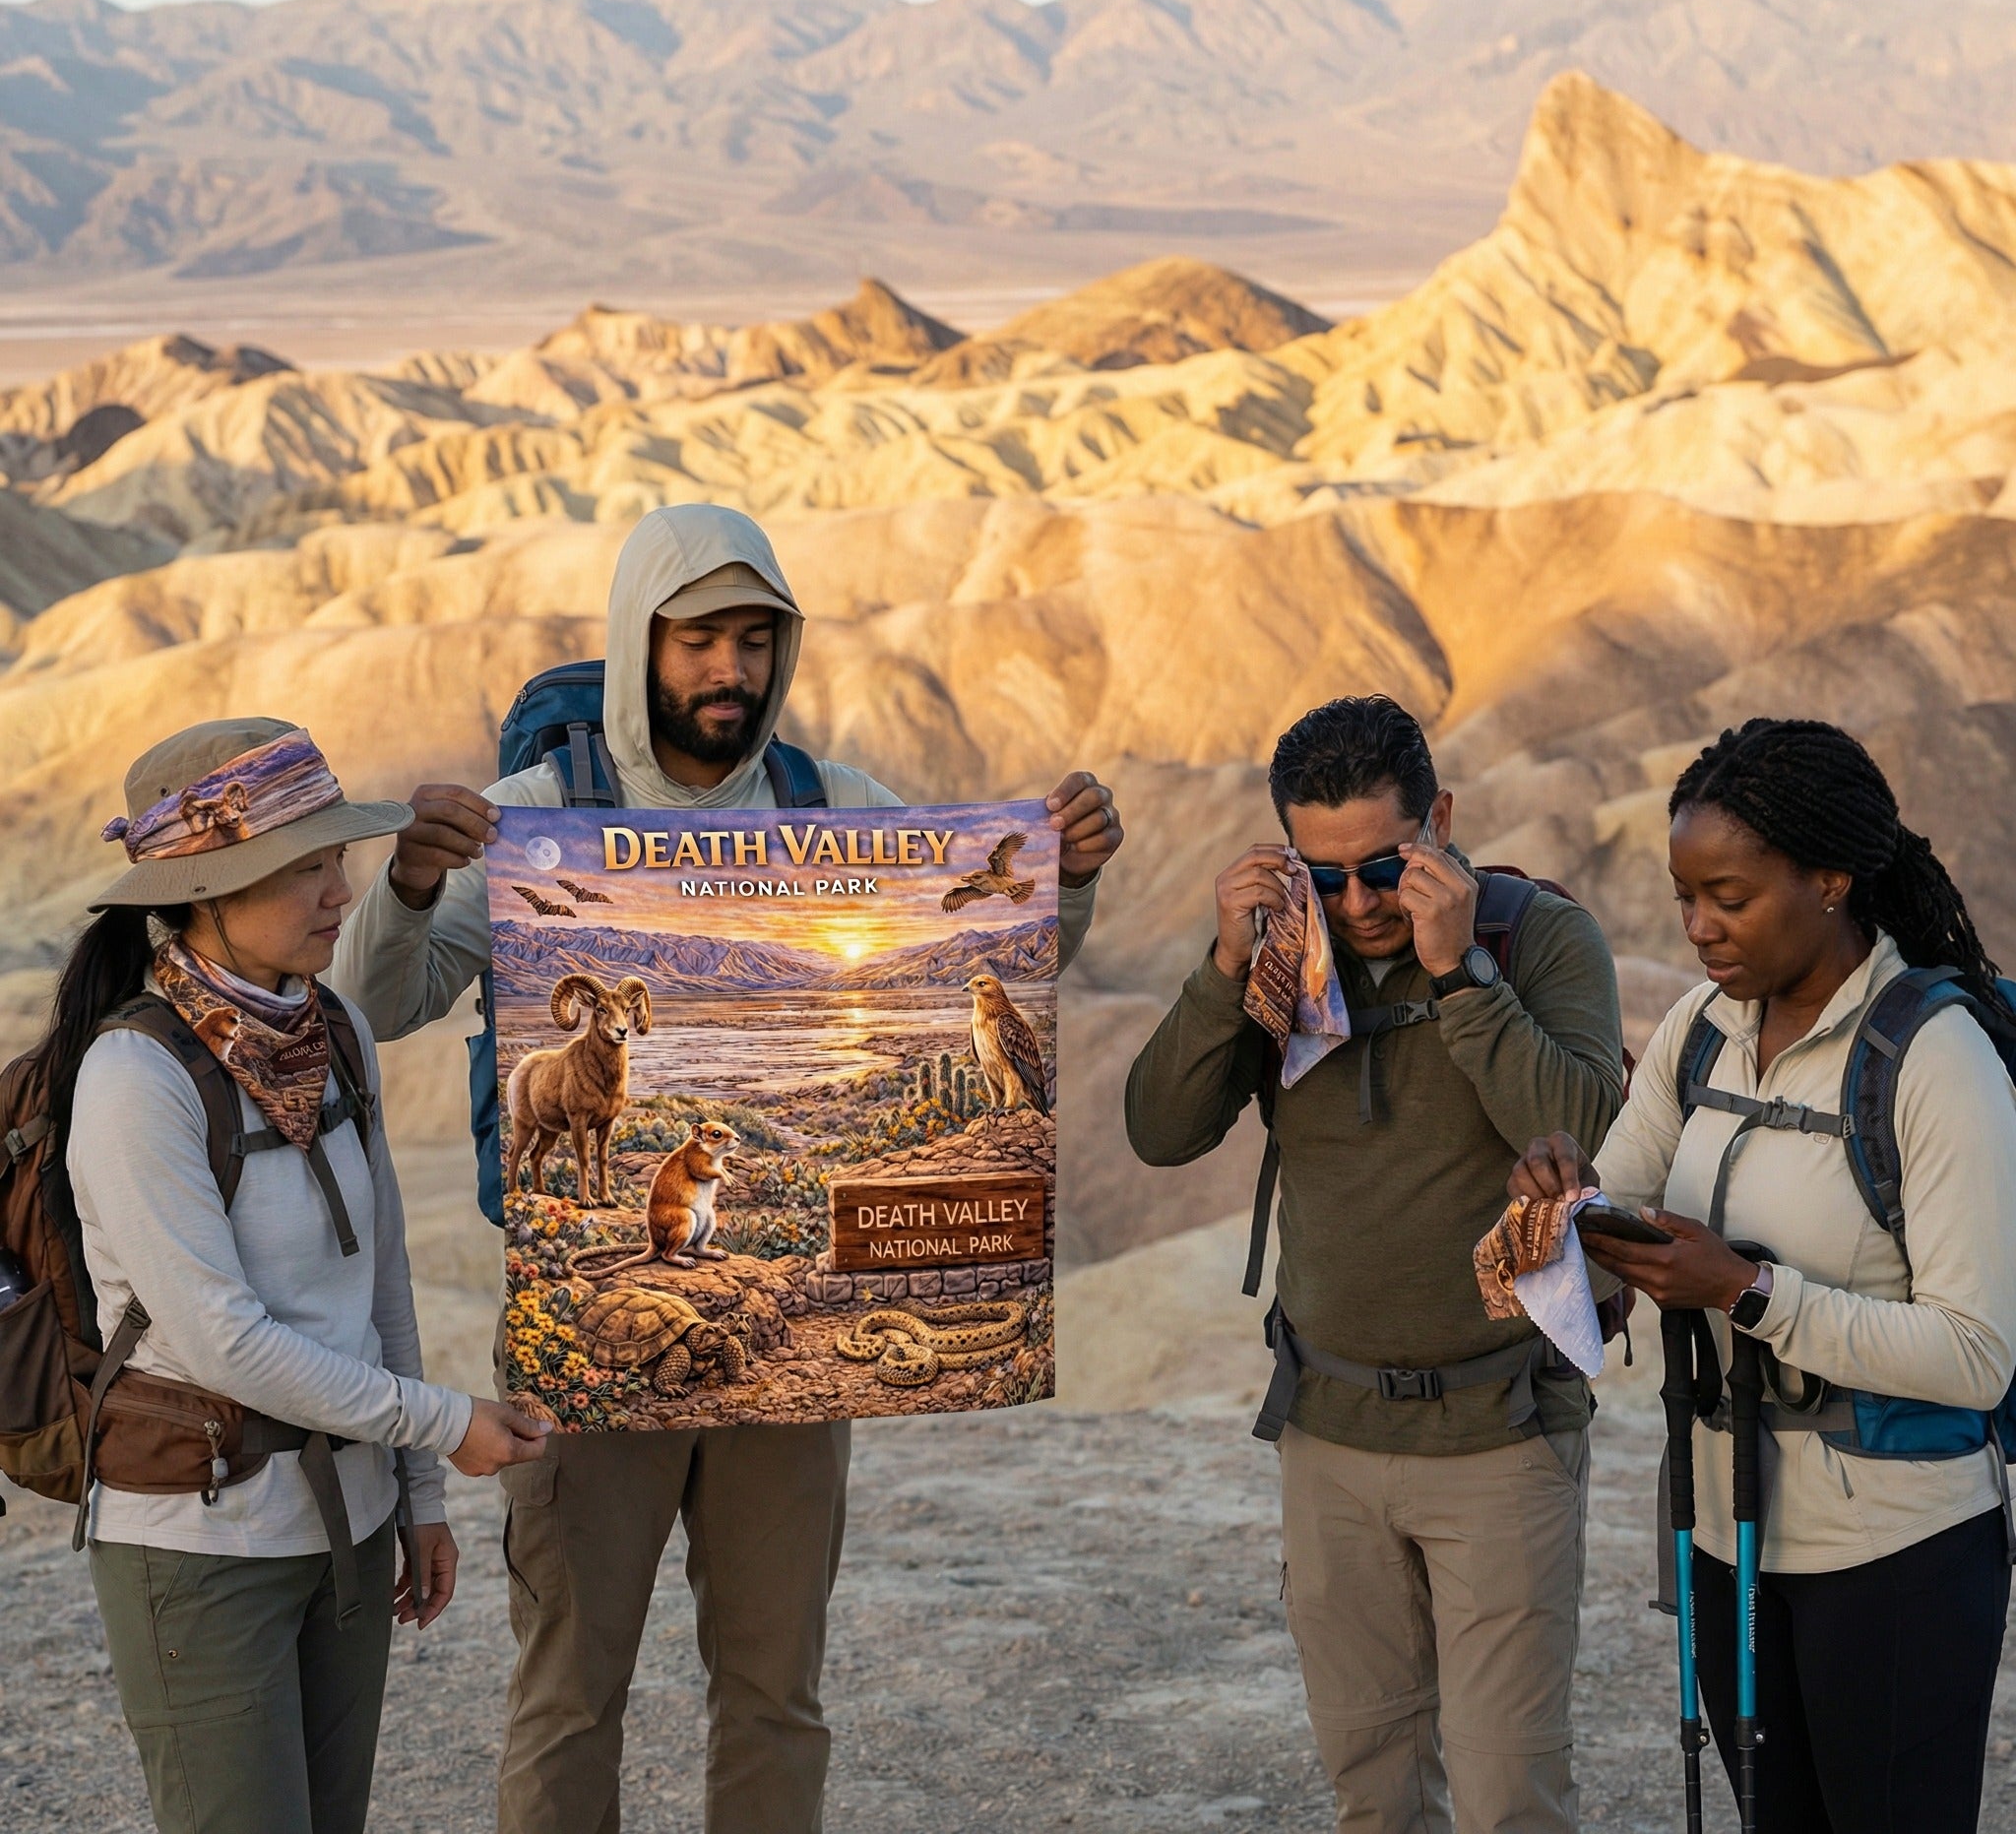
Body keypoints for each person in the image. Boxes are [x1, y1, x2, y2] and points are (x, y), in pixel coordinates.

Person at [329, 501, 1124, 1834]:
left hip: (787, 1367)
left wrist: (1072, 877)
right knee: (572, 1688)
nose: (729, 671)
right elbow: (376, 1005)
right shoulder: (538, 819)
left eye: (755, 642)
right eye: (699, 638)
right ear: (643, 642)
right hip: (584, 1343)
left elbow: (986, 964)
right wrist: (408, 889)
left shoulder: (835, 813)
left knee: (775, 1690)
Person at [1126, 694, 1624, 1834]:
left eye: (1383, 865)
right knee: (1373, 1788)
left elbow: (1575, 1119)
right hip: (1329, 1434)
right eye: (1324, 872)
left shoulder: (1535, 939)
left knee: (1509, 1796)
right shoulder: (1284, 963)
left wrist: (1459, 979)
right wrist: (1221, 962)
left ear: (1438, 819)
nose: (1356, 902)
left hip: (1497, 1433)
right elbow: (1159, 1130)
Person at [1512, 717, 2016, 1834]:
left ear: (1829, 879)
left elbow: (1975, 1352)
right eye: (1684, 894)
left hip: (1896, 1551)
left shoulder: (1934, 1059)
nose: (1695, 927)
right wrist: (1561, 1200)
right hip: (1720, 1524)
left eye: (1726, 897)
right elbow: (1623, 1190)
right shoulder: (1701, 1026)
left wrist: (1747, 1291)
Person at [50, 717, 547, 1834]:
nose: (336, 890)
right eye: (299, 865)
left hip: (350, 1527)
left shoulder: (338, 1033)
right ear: (203, 891)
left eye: (335, 856)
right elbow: (224, 1339)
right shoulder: (136, 1077)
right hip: (199, 1539)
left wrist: (413, 1495)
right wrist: (441, 1423)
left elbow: (380, 1285)